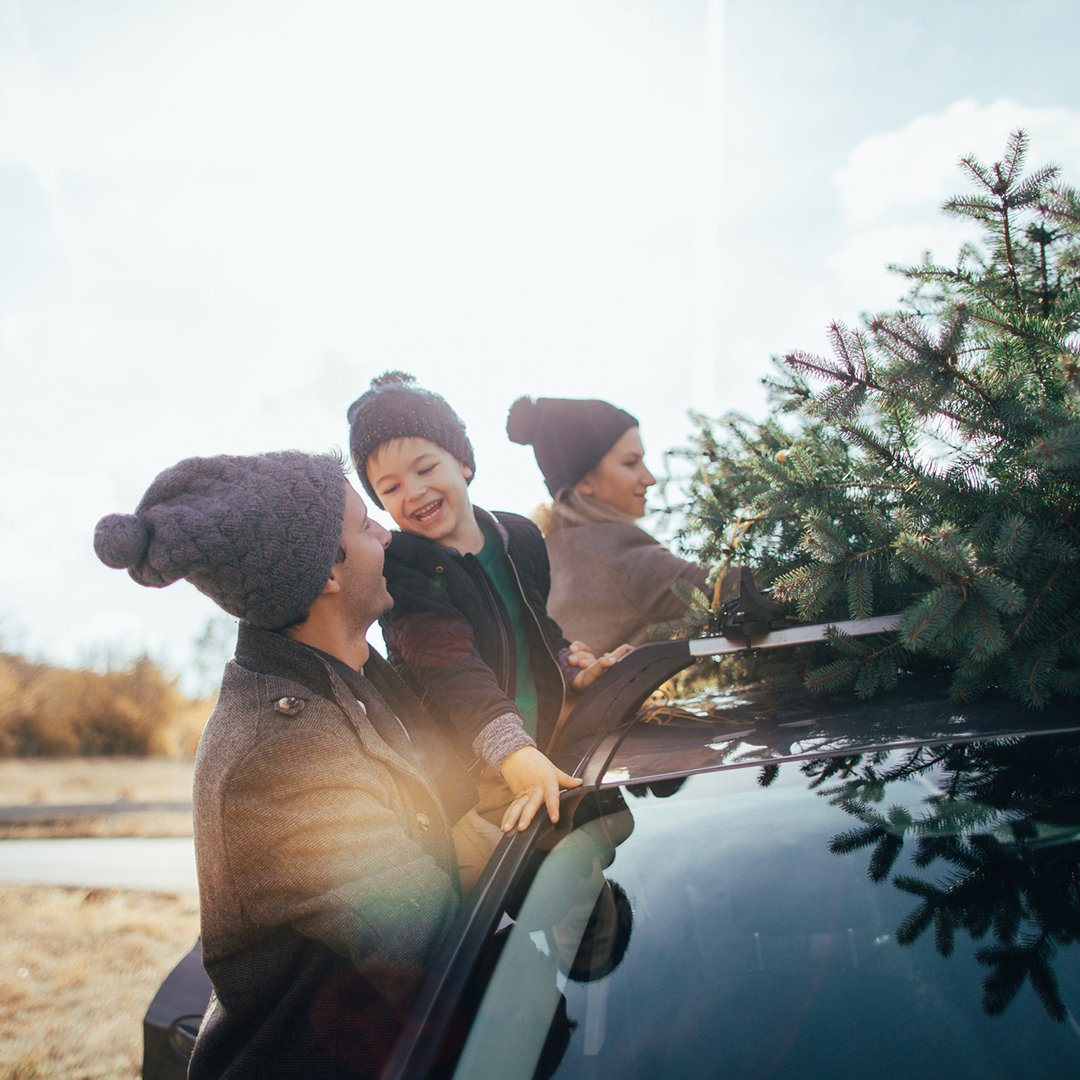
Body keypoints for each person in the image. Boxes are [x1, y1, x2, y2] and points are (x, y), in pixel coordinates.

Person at [93, 450, 477, 1080]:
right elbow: (431, 947)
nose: (385, 530)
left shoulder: (351, 675)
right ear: (327, 571)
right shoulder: (280, 753)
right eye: (364, 525)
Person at [346, 372, 631, 836]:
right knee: (521, 881)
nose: (413, 492)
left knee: (609, 839)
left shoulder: (519, 537)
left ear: (463, 462)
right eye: (390, 488)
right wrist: (511, 751)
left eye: (424, 468)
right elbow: (450, 670)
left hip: (546, 746)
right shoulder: (401, 567)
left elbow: (535, 626)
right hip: (472, 776)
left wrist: (571, 667)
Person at [507, 395, 724, 655]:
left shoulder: (552, 551)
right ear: (585, 481)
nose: (650, 478)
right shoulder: (614, 551)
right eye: (631, 463)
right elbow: (732, 589)